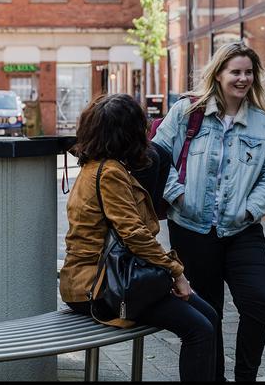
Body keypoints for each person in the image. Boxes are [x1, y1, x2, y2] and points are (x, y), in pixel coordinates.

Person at [59, 93, 218, 382]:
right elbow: (134, 234)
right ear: (128, 133)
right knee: (199, 329)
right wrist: (176, 272)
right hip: (96, 287)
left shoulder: (100, 165)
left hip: (109, 277)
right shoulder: (109, 173)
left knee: (209, 316)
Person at [152, 42, 265, 382]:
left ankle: (245, 376)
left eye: (248, 72)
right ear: (220, 73)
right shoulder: (186, 112)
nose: (242, 78)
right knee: (208, 312)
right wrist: (176, 194)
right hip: (192, 229)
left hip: (242, 229)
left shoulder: (263, 123)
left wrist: (251, 210)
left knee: (258, 304)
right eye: (235, 71)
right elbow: (157, 157)